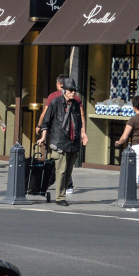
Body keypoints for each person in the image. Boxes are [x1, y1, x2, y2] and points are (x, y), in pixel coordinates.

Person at [37, 77, 86, 206]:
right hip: (59, 141)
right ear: (64, 90)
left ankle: (62, 193)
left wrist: (83, 134)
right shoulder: (55, 102)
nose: (73, 93)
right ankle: (60, 197)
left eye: (74, 90)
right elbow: (46, 122)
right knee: (61, 170)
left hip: (73, 143)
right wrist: (43, 137)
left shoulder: (75, 104)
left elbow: (80, 122)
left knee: (68, 171)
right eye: (71, 90)